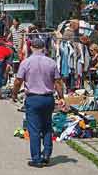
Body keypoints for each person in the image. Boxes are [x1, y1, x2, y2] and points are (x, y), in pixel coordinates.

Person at [11, 38, 64, 167]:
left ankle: (36, 158)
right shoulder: (51, 62)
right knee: (47, 127)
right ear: (44, 48)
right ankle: (46, 154)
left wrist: (14, 93)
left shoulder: (26, 62)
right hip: (48, 98)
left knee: (34, 129)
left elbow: (18, 80)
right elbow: (58, 82)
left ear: (31, 48)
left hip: (33, 98)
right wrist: (61, 97)